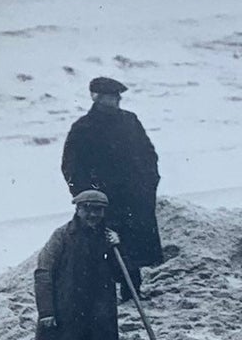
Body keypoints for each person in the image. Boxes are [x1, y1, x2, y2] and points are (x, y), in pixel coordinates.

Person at [31, 188, 122, 340]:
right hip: (62, 313)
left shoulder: (107, 239)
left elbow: (121, 275)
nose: (93, 215)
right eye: (88, 209)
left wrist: (117, 248)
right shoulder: (62, 236)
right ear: (77, 209)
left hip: (93, 316)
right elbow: (43, 273)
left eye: (98, 210)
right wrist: (46, 311)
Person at [60, 77, 166, 285]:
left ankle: (132, 290)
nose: (117, 99)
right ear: (97, 98)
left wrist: (150, 182)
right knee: (100, 250)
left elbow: (148, 154)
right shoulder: (83, 127)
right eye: (111, 96)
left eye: (117, 96)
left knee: (132, 249)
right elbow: (71, 167)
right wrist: (84, 197)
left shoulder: (130, 120)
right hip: (102, 200)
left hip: (135, 197)